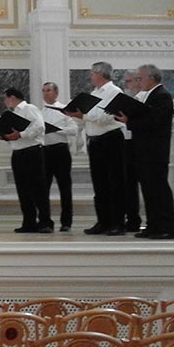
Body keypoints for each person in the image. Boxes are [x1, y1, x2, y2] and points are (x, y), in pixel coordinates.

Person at [114, 64, 174, 239]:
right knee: (149, 192)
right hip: (144, 151)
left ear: (152, 78)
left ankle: (166, 228)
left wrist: (129, 121)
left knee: (159, 191)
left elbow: (155, 122)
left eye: (140, 78)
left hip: (155, 152)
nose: (138, 81)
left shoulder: (162, 96)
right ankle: (153, 226)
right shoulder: (150, 95)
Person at [66, 61, 126, 236]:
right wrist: (74, 114)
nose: (89, 75)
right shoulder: (94, 93)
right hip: (95, 140)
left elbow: (105, 117)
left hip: (111, 139)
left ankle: (117, 223)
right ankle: (103, 221)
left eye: (92, 72)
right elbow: (89, 117)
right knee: (100, 184)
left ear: (101, 74)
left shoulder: (114, 92)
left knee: (115, 182)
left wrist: (82, 114)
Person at [0, 87, 52, 233]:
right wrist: (4, 135)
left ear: (12, 97)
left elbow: (40, 127)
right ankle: (29, 222)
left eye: (5, 98)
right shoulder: (12, 114)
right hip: (18, 153)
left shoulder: (29, 108)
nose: (5, 102)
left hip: (32, 152)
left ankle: (45, 222)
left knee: (38, 189)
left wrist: (20, 135)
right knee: (22, 189)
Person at [41, 82, 78, 232]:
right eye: (43, 91)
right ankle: (45, 222)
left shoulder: (65, 109)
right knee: (43, 188)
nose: (45, 93)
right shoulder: (39, 111)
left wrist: (58, 130)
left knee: (65, 187)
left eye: (48, 90)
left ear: (56, 93)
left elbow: (74, 129)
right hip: (44, 151)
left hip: (60, 151)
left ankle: (66, 222)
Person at [121, 71, 142, 232]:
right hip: (125, 143)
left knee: (147, 184)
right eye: (125, 81)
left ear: (138, 81)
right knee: (128, 184)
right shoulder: (125, 100)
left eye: (129, 81)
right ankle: (132, 218)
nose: (126, 84)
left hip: (140, 143)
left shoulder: (143, 98)